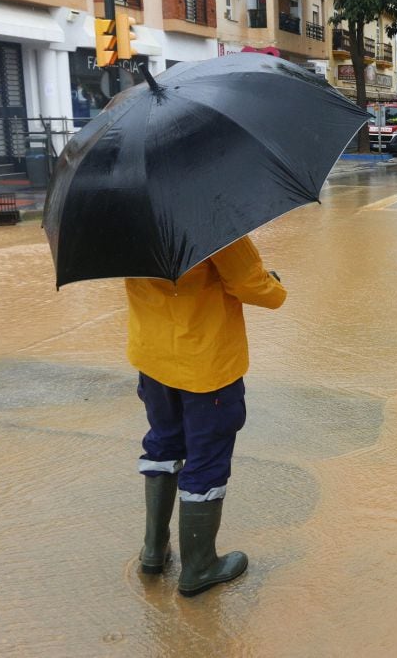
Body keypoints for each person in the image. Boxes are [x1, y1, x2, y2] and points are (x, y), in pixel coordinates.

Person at [126, 235, 286, 596]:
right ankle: (199, 566)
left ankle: (153, 551)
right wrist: (276, 288)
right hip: (206, 364)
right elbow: (250, 284)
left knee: (163, 443)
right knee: (207, 458)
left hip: (152, 358)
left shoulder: (122, 222)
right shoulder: (213, 220)